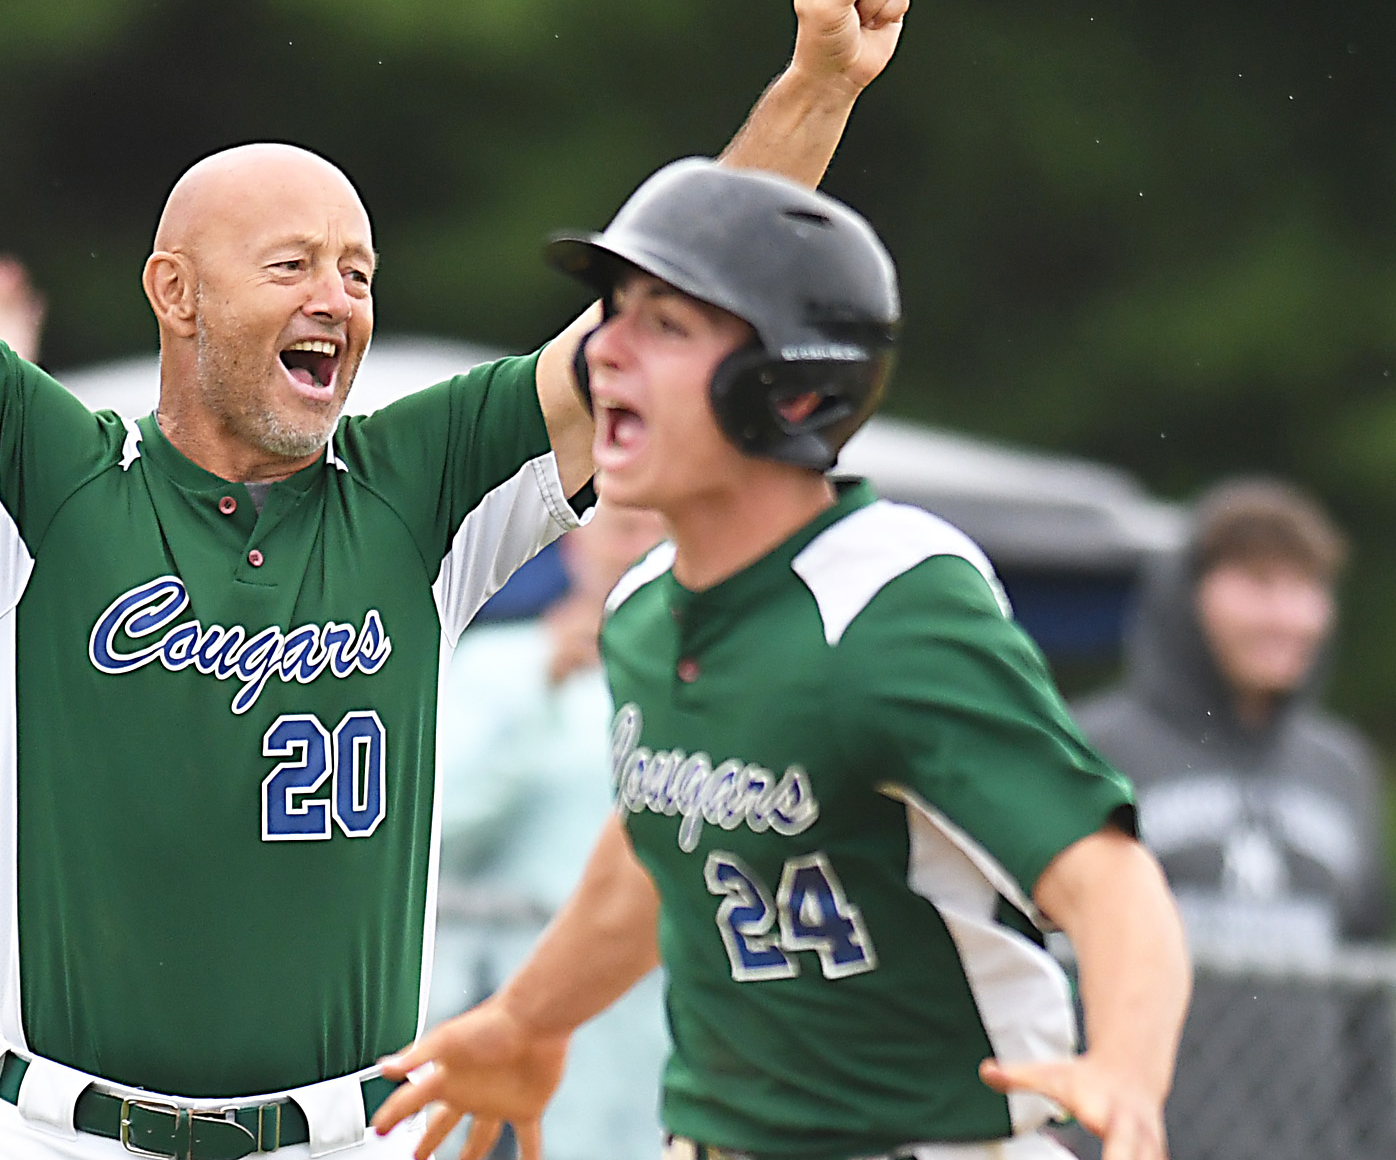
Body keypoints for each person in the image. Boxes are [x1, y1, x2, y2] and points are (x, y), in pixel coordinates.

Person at [0, 0, 910, 1159]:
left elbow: (675, 315)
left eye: (359, 270)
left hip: (348, 1137)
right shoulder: (45, 479)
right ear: (173, 295)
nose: (339, 297)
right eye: (293, 264)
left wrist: (818, 85)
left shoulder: (420, 489)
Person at [373, 162, 1190, 1160]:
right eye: (613, 312)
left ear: (792, 391)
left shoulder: (890, 605)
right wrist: (531, 1018)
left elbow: (1106, 878)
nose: (605, 348)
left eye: (665, 325)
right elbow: (657, 841)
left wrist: (1128, 1074)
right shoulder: (644, 613)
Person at [1076, 479, 1393, 1160]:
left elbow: (1370, 998)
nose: (1291, 617)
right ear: (1186, 599)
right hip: (1129, 1143)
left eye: (1306, 589)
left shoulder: (1340, 769)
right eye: (1258, 584)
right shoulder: (1095, 749)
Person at [430, 503, 672, 1160]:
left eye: (659, 531)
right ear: (573, 549)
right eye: (622, 529)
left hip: (631, 1001)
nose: (637, 547)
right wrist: (543, 680)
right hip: (478, 981)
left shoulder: (692, 681)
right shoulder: (492, 662)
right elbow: (437, 824)